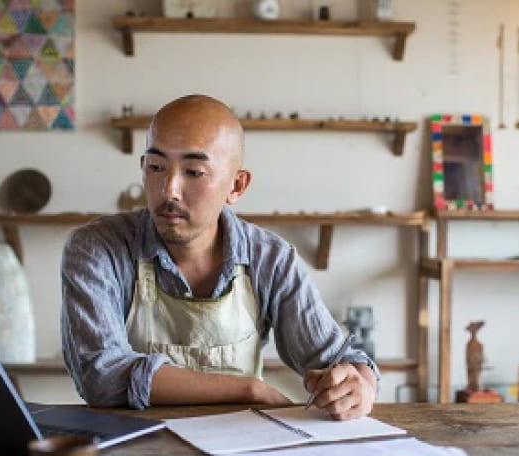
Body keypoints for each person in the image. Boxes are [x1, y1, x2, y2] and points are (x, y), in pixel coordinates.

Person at [61, 94, 378, 420]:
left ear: (237, 185)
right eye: (156, 167)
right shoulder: (96, 248)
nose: (169, 190)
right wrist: (247, 389)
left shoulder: (270, 259)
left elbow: (337, 359)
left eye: (194, 172)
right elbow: (100, 374)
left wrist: (359, 384)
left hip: (240, 455)